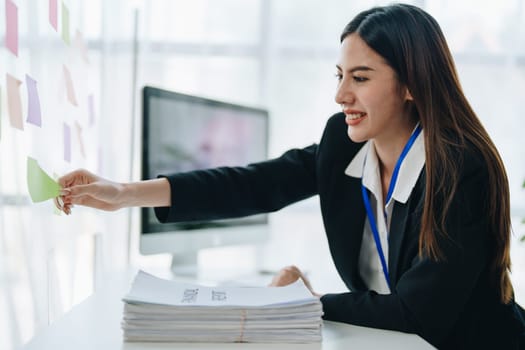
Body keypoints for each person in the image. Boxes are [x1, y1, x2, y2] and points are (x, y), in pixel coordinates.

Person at [56, 4, 525, 349]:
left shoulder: (463, 168)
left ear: (408, 85)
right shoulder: (344, 143)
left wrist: (304, 300)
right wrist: (122, 193)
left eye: (360, 78)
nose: (341, 94)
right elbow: (259, 182)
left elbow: (418, 310)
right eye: (339, 75)